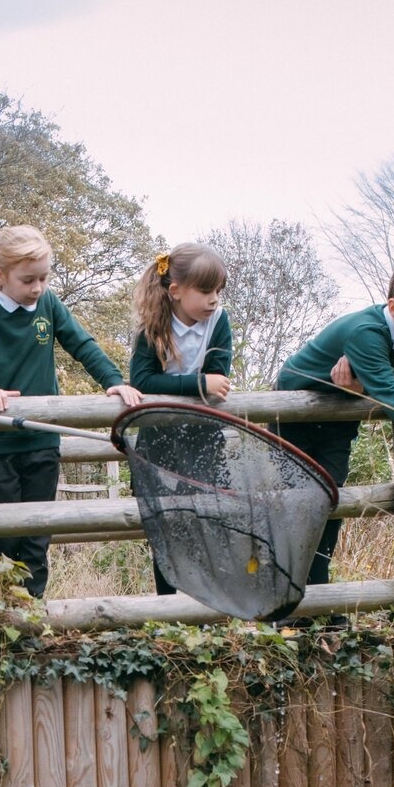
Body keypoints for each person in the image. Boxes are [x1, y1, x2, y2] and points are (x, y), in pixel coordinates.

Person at [0, 224, 141, 598]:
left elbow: (82, 345)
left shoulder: (49, 304)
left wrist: (113, 380)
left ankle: (33, 610)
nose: (37, 287)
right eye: (28, 280)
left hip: (41, 440)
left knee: (37, 535)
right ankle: (0, 610)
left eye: (43, 278)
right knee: (3, 535)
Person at [275, 255, 394, 588]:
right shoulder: (366, 331)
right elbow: (391, 393)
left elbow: (378, 384)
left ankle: (320, 603)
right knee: (299, 508)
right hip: (296, 417)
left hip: (336, 422)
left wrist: (357, 388)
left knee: (330, 507)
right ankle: (292, 607)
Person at [129, 242, 232, 593]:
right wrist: (197, 382)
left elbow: (221, 377)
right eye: (205, 291)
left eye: (218, 290)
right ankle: (169, 607)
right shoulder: (153, 325)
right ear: (175, 291)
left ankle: (206, 609)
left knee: (207, 522)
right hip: (158, 439)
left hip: (205, 436)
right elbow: (142, 380)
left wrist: (201, 384)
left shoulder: (218, 322)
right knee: (166, 525)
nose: (214, 299)